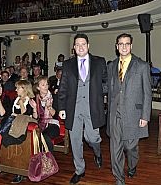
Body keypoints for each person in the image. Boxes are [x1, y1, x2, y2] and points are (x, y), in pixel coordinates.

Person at [58, 33, 107, 184]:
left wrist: (100, 94)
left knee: (92, 138)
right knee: (75, 141)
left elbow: (106, 82)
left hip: (93, 107)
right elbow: (63, 87)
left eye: (83, 44)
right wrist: (61, 107)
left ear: (88, 46)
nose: (80, 47)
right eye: (77, 44)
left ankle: (97, 153)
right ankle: (79, 170)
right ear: (74, 48)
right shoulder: (67, 64)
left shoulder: (99, 62)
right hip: (73, 108)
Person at [107, 33, 152, 185]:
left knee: (130, 147)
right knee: (115, 148)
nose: (124, 46)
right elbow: (109, 88)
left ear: (131, 46)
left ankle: (132, 166)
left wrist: (145, 116)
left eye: (127, 44)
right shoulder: (111, 66)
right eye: (121, 44)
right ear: (116, 46)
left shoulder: (142, 65)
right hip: (115, 115)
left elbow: (147, 92)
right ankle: (119, 179)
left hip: (134, 114)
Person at [32, 76, 60, 152]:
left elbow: (56, 115)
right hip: (39, 124)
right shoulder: (35, 99)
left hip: (53, 124)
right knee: (32, 135)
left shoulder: (54, 97)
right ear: (38, 87)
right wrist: (34, 108)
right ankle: (37, 158)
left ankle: (49, 159)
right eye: (43, 85)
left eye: (47, 84)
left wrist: (49, 107)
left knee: (44, 136)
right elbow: (35, 118)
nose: (46, 87)